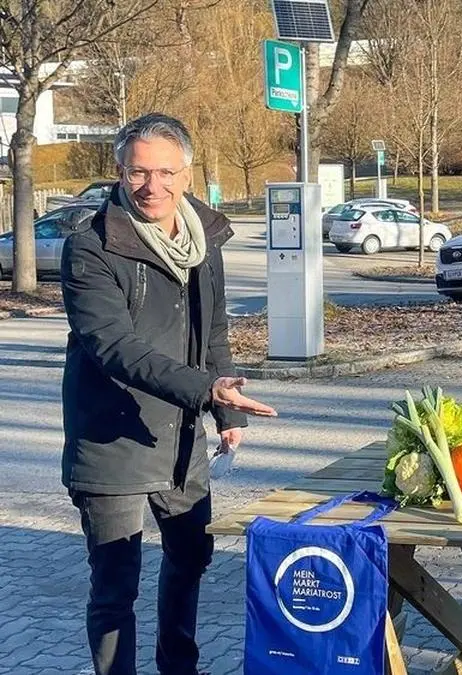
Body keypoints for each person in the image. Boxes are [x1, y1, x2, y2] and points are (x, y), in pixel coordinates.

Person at [60, 113, 277, 675]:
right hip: (112, 442)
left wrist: (225, 406)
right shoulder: (89, 246)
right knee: (115, 588)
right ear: (119, 170)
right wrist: (207, 391)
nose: (151, 186)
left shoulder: (205, 236)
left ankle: (179, 667)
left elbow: (215, 331)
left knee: (189, 560)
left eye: (164, 172)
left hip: (182, 436)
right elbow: (114, 347)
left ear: (186, 173)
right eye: (138, 172)